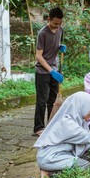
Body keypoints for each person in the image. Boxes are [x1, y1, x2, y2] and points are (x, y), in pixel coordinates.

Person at [33, 7, 66, 136]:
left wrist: (60, 48)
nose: (57, 26)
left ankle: (52, 123)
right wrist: (51, 71)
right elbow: (39, 56)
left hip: (54, 69)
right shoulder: (43, 33)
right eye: (55, 23)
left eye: (59, 23)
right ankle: (38, 128)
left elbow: (55, 46)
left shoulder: (60, 30)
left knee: (53, 99)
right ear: (49, 19)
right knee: (42, 100)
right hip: (42, 71)